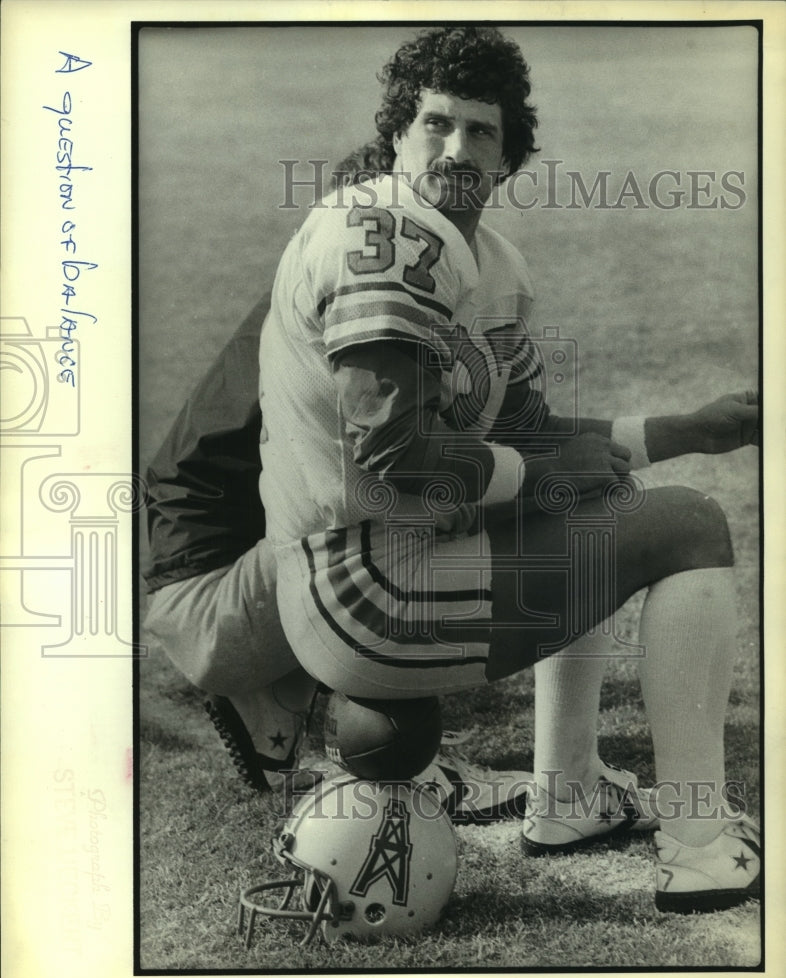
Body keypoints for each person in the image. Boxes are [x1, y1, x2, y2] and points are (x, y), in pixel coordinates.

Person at [256, 25, 760, 914]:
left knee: (604, 495)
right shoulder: (384, 232)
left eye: (480, 131)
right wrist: (537, 474)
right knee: (691, 526)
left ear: (509, 151)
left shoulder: (488, 262)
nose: (456, 148)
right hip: (359, 583)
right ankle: (700, 840)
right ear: (397, 135)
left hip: (389, 563)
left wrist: (691, 428)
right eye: (435, 124)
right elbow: (394, 461)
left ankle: (568, 798)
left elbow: (529, 436)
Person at [142, 139, 660, 831]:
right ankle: (369, 746)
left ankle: (279, 696)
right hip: (211, 604)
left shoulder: (320, 296)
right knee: (430, 514)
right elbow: (358, 494)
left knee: (462, 491)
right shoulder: (352, 329)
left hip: (219, 583)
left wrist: (664, 434)